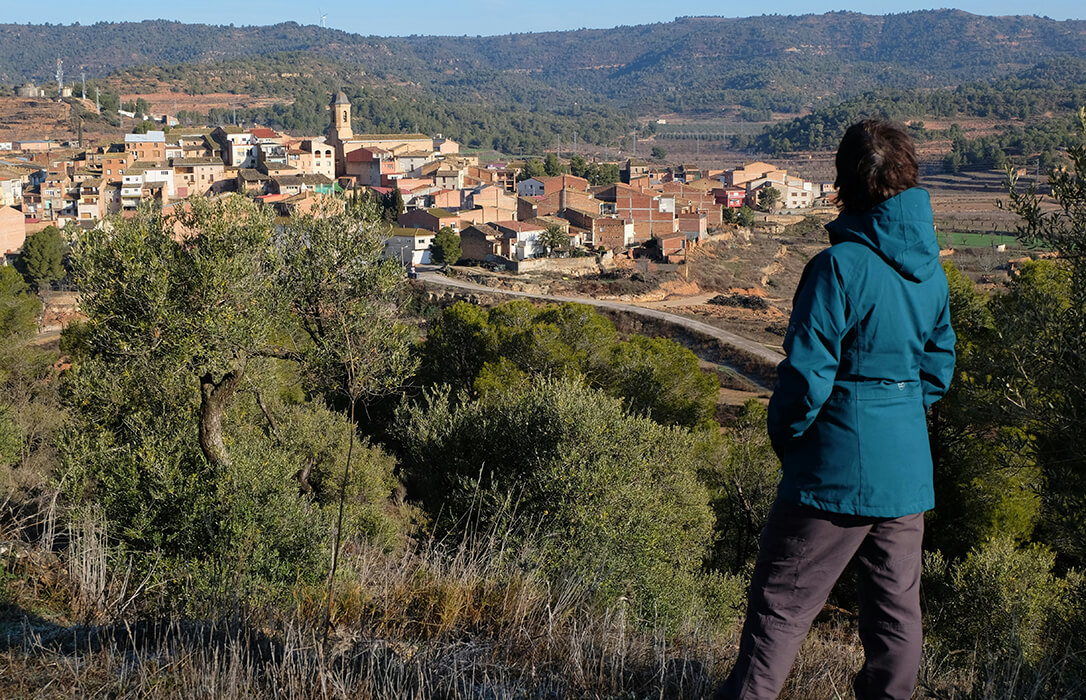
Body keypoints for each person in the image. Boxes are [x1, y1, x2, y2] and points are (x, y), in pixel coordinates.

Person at [714, 120, 956, 700]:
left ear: (845, 183)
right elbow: (938, 367)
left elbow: (803, 378)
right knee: (896, 619)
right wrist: (894, 411)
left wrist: (792, 439)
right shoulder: (931, 273)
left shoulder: (837, 268)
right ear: (909, 177)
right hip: (905, 472)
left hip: (832, 471)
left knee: (781, 610)